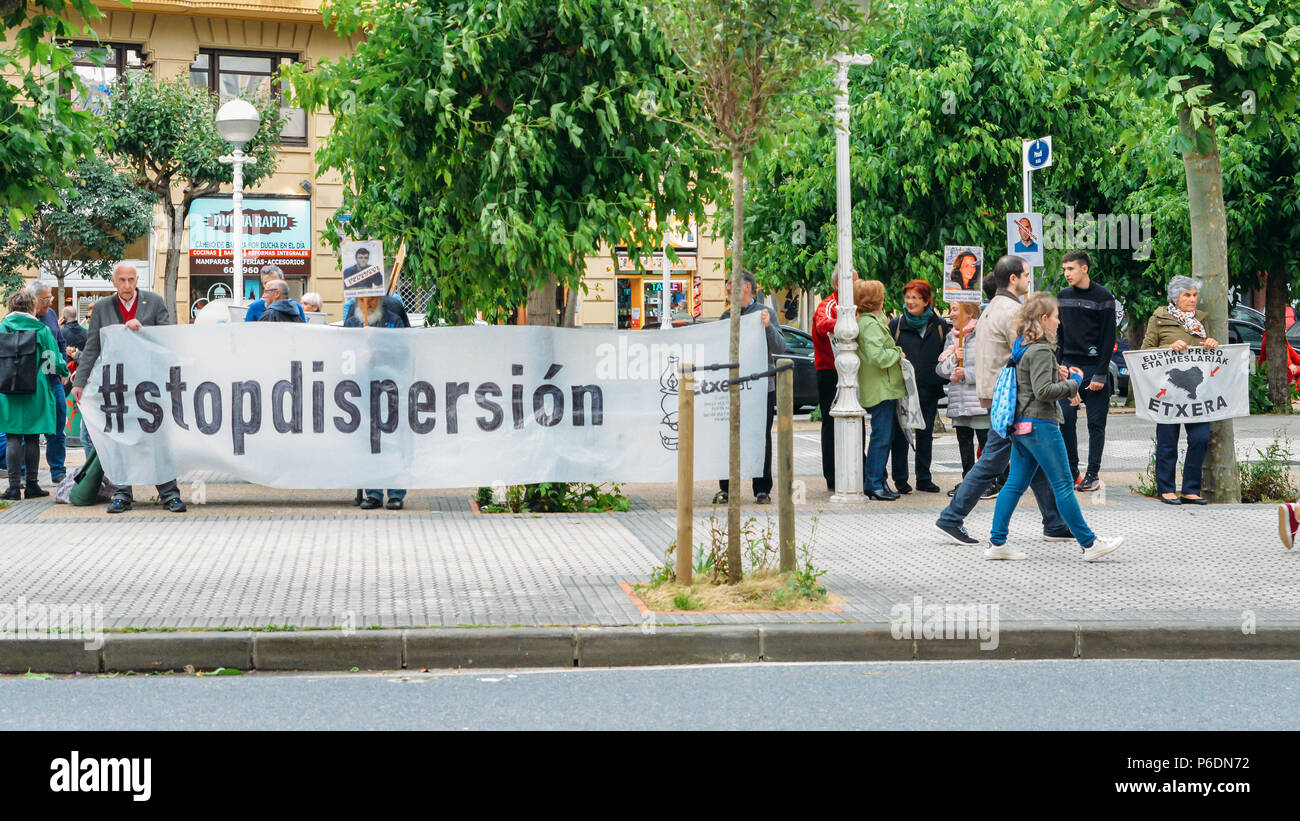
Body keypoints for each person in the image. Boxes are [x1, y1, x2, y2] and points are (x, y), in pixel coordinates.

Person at [934, 254, 1069, 545]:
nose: (1029, 279)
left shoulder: (992, 308)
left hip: (998, 394)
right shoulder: (1012, 311)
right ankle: (952, 516)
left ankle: (1054, 522)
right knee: (993, 462)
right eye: (1026, 274)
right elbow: (1026, 352)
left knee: (1031, 459)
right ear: (1013, 278)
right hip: (1012, 398)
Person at [984, 293, 1124, 561]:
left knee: (1014, 484)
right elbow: (1043, 391)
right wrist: (1074, 381)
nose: (1061, 321)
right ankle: (1089, 544)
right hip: (1040, 425)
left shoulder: (1023, 346)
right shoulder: (1040, 349)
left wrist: (1056, 371)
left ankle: (997, 542)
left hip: (1021, 425)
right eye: (1057, 316)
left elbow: (1032, 381)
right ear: (1044, 319)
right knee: (1062, 485)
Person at [71, 263, 186, 514]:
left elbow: (166, 339)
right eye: (121, 280)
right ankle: (122, 494)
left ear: (137, 280)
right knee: (120, 441)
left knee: (156, 441)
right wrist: (79, 382)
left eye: (131, 280)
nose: (126, 285)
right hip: (118, 386)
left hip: (149, 386)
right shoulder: (102, 308)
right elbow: (92, 346)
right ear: (114, 282)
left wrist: (143, 331)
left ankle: (170, 494)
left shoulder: (154, 302)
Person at [1140, 275, 1219, 505]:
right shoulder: (1159, 318)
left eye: (1194, 295)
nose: (1193, 300)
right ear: (1175, 298)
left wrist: (1212, 343)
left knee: (1201, 438)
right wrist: (1168, 347)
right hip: (1168, 391)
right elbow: (1145, 352)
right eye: (1187, 295)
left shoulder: (1202, 320)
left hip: (1197, 393)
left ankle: (1190, 490)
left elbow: (1211, 355)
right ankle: (1166, 489)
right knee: (1167, 441)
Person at [712, 269, 786, 506]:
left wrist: (767, 327)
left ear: (746, 287)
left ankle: (762, 488)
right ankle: (727, 488)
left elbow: (780, 348)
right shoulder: (726, 316)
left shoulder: (766, 313)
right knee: (728, 435)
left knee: (761, 436)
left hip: (762, 387)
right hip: (733, 386)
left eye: (730, 283)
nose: (726, 287)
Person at [1056, 250, 1116, 492]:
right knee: (1066, 420)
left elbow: (1108, 337)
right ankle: (1072, 472)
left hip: (1095, 367)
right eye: (1064, 269)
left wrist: (1101, 373)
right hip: (1069, 368)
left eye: (1070, 269)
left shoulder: (1103, 297)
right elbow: (1059, 335)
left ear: (1084, 269)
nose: (1066, 273)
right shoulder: (1062, 296)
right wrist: (1058, 367)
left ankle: (1093, 474)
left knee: (1096, 424)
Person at [344, 293, 411, 509]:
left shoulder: (394, 321)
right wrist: (358, 353)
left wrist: (378, 350)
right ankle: (372, 493)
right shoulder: (352, 323)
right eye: (362, 300)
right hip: (362, 391)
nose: (368, 304)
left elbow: (404, 354)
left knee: (393, 442)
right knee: (367, 442)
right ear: (356, 302)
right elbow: (342, 354)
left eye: (372, 299)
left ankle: (395, 493)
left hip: (390, 389)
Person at [1, 290, 68, 500]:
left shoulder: (2, 327)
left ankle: (12, 487)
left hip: (8, 387)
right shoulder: (42, 329)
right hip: (36, 387)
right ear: (31, 307)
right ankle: (32, 485)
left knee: (12, 436)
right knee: (32, 437)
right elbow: (53, 359)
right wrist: (64, 372)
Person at [888, 279, 949, 494]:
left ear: (926, 301)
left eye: (915, 297)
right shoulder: (896, 325)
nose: (910, 302)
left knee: (925, 434)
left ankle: (924, 477)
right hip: (903, 389)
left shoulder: (939, 325)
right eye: (908, 297)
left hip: (929, 388)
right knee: (901, 435)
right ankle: (901, 480)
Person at [855, 279, 904, 501]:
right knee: (881, 436)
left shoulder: (867, 321)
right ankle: (874, 482)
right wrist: (897, 353)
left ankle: (879, 480)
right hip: (881, 387)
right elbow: (877, 356)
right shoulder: (871, 324)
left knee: (883, 435)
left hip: (880, 386)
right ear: (876, 299)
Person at [937, 300, 988, 497]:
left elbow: (991, 367)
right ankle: (968, 481)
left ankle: (987, 482)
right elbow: (940, 370)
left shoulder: (982, 334)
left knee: (985, 444)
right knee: (964, 443)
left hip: (978, 402)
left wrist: (967, 373)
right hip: (959, 402)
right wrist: (952, 359)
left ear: (969, 312)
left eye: (955, 309)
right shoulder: (952, 337)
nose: (951, 314)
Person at [27, 281, 68, 483]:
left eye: (50, 297)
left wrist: (62, 366)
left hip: (53, 379)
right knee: (30, 430)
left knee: (58, 426)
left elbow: (60, 341)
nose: (50, 302)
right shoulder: (25, 318)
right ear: (33, 299)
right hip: (32, 382)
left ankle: (58, 471)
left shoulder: (51, 316)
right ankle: (28, 475)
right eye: (46, 298)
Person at [811, 277, 842, 492]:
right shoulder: (828, 305)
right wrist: (847, 322)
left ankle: (858, 467)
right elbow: (822, 324)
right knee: (831, 423)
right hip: (830, 371)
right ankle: (832, 476)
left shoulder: (857, 305)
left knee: (855, 421)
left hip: (852, 371)